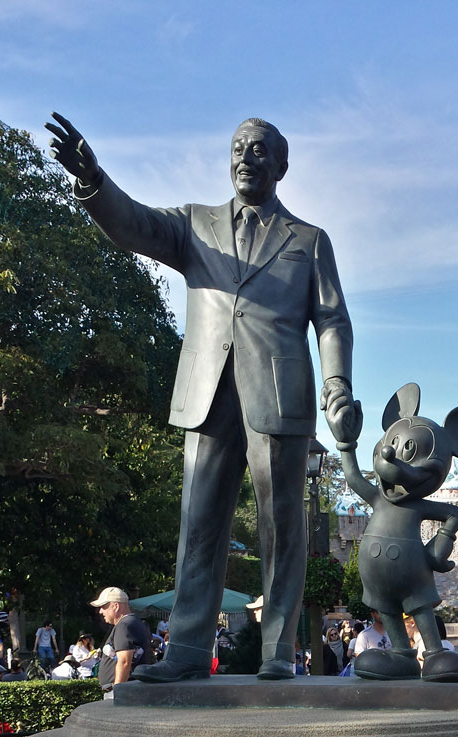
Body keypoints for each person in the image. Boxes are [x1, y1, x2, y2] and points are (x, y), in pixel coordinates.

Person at [47, 113, 354, 683]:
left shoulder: (308, 241)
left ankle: (278, 651)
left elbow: (332, 320)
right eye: (239, 148)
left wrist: (337, 387)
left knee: (281, 527)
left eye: (260, 150)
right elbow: (133, 225)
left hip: (280, 395)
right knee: (199, 523)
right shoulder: (194, 225)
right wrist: (93, 180)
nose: (247, 157)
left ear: (281, 165)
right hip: (208, 390)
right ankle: (186, 651)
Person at [91, 587, 153, 693]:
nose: (100, 611)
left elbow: (124, 661)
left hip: (125, 691)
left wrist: (118, 691)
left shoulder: (124, 624)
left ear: (116, 606)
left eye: (104, 606)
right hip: (131, 689)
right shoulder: (132, 622)